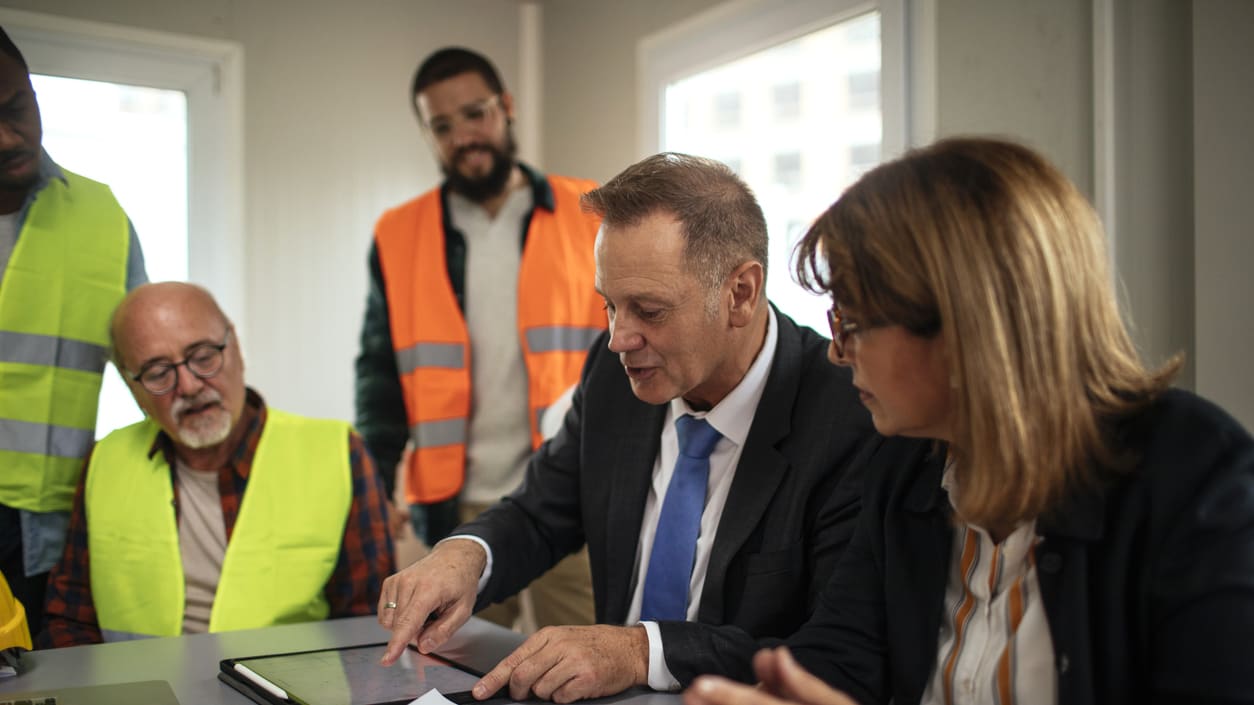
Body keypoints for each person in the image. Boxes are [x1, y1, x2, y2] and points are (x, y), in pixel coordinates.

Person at [682, 137, 1254, 705]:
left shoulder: (1197, 477)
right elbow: (839, 659)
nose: (837, 351)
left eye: (852, 323)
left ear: (965, 325)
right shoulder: (902, 467)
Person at [377, 152, 878, 703]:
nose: (619, 338)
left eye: (649, 310)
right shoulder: (616, 374)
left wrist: (640, 651)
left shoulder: (850, 417)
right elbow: (540, 511)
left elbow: (836, 654)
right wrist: (467, 554)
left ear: (740, 293)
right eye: (610, 307)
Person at [355, 46, 603, 631]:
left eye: (475, 114)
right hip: (457, 508)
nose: (464, 136)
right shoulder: (399, 233)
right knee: (452, 669)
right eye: (443, 126)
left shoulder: (589, 212)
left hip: (572, 496)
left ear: (507, 107)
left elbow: (625, 352)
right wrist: (375, 488)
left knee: (591, 664)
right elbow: (379, 375)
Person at [40, 282, 393, 646]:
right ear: (134, 389)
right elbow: (69, 618)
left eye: (204, 356)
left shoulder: (337, 452)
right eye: (159, 373)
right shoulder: (106, 460)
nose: (190, 386)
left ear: (237, 348)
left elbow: (367, 626)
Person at [0, 26, 147, 637]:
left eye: (17, 108)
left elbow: (154, 371)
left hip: (49, 532)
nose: (8, 137)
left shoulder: (100, 215)